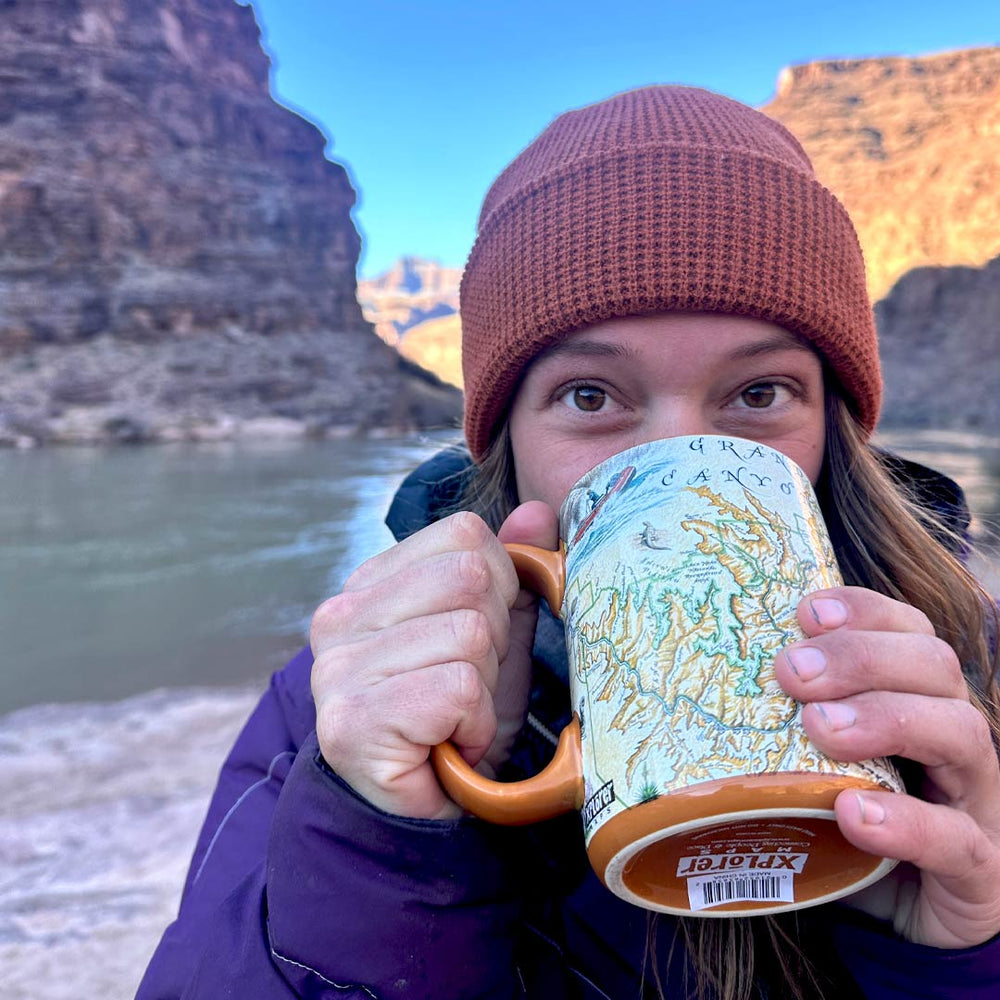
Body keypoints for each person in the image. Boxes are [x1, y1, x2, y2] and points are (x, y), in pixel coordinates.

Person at [137, 85, 1000, 1000]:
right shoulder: (335, 712)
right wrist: (383, 846)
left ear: (835, 424)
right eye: (591, 395)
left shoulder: (970, 671)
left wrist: (961, 953)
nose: (673, 458)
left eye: (758, 394)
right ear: (507, 435)